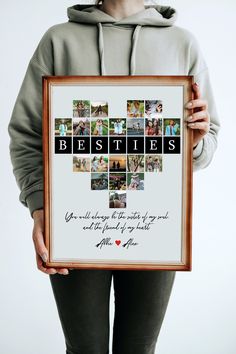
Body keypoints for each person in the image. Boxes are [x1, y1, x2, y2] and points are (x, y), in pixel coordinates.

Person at [8, 0, 220, 353]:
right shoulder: (58, 41)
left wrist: (192, 142)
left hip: (155, 225)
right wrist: (40, 206)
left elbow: (208, 140)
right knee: (84, 349)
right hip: (77, 220)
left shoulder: (183, 43)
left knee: (138, 348)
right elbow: (27, 133)